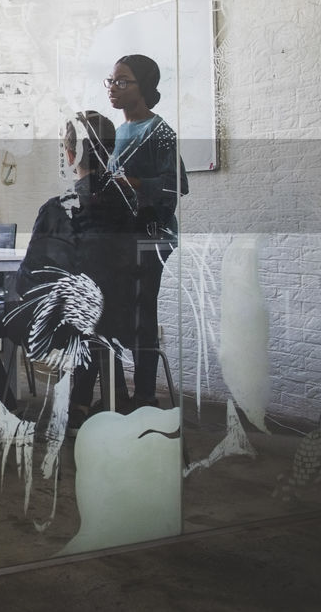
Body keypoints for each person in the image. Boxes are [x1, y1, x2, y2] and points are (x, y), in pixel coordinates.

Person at [25, 112, 138, 430]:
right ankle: (91, 402)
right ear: (111, 151)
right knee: (100, 315)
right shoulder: (133, 206)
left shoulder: (58, 209)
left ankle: (79, 405)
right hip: (129, 315)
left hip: (76, 322)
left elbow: (33, 276)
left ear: (71, 155)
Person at [105, 54, 189, 408]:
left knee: (142, 316)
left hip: (149, 239)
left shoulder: (160, 132)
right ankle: (116, 393)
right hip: (119, 239)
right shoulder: (117, 132)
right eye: (111, 80)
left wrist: (135, 183)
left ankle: (144, 395)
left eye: (122, 81)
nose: (113, 88)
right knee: (113, 313)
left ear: (145, 88)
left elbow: (177, 185)